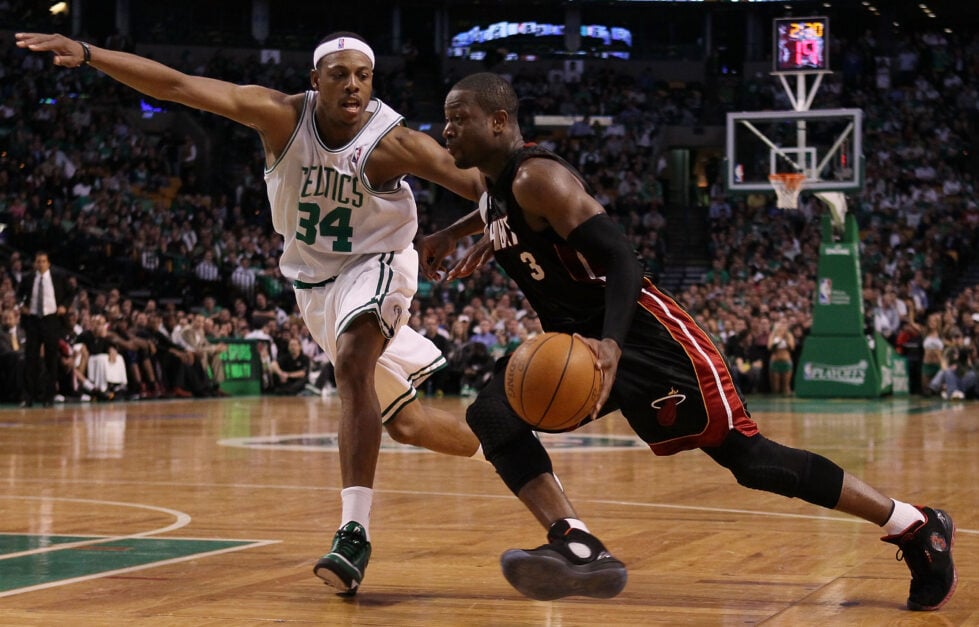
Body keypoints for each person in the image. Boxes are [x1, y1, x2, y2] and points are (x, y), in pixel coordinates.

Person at [419, 72, 956, 611]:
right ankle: (576, 542)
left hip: (646, 337)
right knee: (493, 413)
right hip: (580, 344)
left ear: (499, 121)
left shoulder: (538, 178)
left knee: (751, 460)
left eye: (458, 117)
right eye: (446, 118)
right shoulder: (495, 185)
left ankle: (914, 524)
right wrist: (457, 234)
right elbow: (497, 210)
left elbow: (623, 257)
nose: (447, 130)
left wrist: (612, 343)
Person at [15, 30, 484, 595]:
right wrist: (89, 54)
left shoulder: (395, 142)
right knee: (404, 423)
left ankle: (353, 532)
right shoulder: (280, 116)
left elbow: (495, 186)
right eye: (339, 74)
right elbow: (178, 85)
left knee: (353, 365)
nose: (353, 84)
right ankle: (499, 442)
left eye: (363, 75)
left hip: (379, 261)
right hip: (313, 286)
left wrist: (455, 233)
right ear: (315, 81)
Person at [15, 251, 75, 407]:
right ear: (35, 263)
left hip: (51, 320)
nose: (40, 264)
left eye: (43, 261)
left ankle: (48, 397)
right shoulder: (28, 278)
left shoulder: (59, 277)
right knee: (31, 360)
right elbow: (18, 295)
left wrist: (64, 306)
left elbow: (71, 293)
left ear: (48, 263)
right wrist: (22, 306)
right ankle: (28, 397)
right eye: (38, 261)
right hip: (34, 321)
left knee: (51, 360)